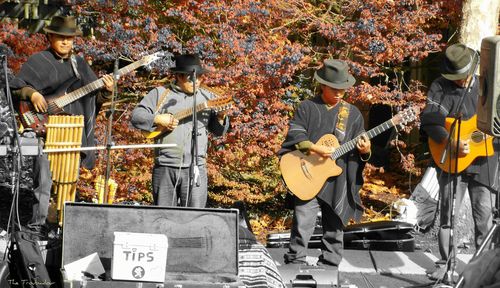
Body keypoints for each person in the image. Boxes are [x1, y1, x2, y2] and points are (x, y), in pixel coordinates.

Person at [9, 15, 114, 235]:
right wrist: (33, 93)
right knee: (44, 182)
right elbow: (16, 87)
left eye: (70, 38)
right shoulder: (38, 60)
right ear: (50, 36)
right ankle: (37, 227)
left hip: (71, 132)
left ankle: (64, 228)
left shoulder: (80, 65)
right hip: (45, 128)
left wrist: (106, 90)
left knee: (69, 180)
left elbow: (94, 100)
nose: (66, 42)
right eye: (61, 37)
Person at [279, 59, 371, 266]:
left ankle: (330, 264)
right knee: (302, 222)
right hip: (308, 175)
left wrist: (366, 150)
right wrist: (315, 148)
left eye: (343, 89)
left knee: (335, 224)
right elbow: (295, 133)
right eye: (334, 88)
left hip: (338, 178)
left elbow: (362, 148)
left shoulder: (353, 114)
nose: (339, 93)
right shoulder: (307, 107)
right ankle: (295, 262)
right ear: (323, 85)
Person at [420, 43, 499, 282]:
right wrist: (450, 141)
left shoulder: (490, 87)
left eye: (463, 76)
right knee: (447, 216)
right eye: (456, 77)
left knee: (484, 218)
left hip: (485, 161)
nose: (460, 81)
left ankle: (480, 272)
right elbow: (430, 120)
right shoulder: (440, 86)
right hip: (450, 159)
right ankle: (446, 264)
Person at [131, 54, 229, 208]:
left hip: (196, 167)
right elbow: (137, 116)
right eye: (191, 77)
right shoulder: (160, 93)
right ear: (178, 76)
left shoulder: (208, 97)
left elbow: (218, 131)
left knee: (194, 219)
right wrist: (157, 119)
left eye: (200, 77)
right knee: (163, 217)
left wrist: (222, 117)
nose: (197, 81)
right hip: (164, 167)